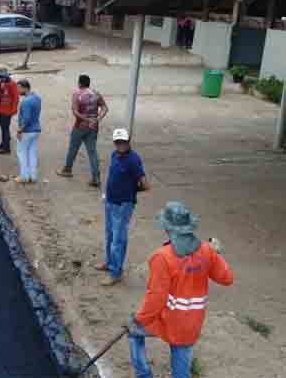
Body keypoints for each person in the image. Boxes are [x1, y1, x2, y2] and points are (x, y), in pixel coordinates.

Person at [128, 202, 234, 378]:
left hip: (167, 320)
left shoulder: (162, 257)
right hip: (191, 324)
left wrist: (139, 320)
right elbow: (227, 278)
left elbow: (156, 298)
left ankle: (144, 375)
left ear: (166, 227)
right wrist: (217, 254)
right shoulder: (206, 251)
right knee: (181, 367)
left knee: (133, 331)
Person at [96, 128, 148, 286]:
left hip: (123, 205)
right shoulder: (114, 155)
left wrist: (131, 191)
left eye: (123, 142)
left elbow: (145, 184)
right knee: (110, 234)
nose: (121, 145)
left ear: (128, 141)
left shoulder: (133, 160)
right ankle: (110, 262)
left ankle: (116, 272)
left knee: (118, 239)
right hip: (111, 201)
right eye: (118, 142)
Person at [57, 74, 108, 187]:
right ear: (89, 83)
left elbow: (75, 111)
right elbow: (105, 108)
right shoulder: (96, 94)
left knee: (73, 148)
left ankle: (67, 169)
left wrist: (86, 119)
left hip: (80, 126)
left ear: (79, 83)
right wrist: (96, 119)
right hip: (93, 127)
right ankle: (96, 178)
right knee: (92, 152)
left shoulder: (77, 94)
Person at [15, 79, 41, 184]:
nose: (17, 91)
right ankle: (33, 176)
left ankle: (24, 176)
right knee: (32, 153)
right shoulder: (37, 98)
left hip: (27, 131)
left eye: (18, 88)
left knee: (22, 153)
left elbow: (26, 118)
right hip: (36, 130)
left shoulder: (26, 102)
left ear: (24, 87)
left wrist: (20, 130)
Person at [0, 66, 19, 154]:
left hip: (8, 111)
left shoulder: (13, 84)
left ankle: (6, 148)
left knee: (5, 128)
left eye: (3, 77)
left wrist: (14, 109)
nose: (1, 78)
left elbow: (16, 98)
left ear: (7, 76)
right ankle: (3, 143)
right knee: (3, 127)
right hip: (2, 109)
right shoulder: (1, 82)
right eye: (0, 77)